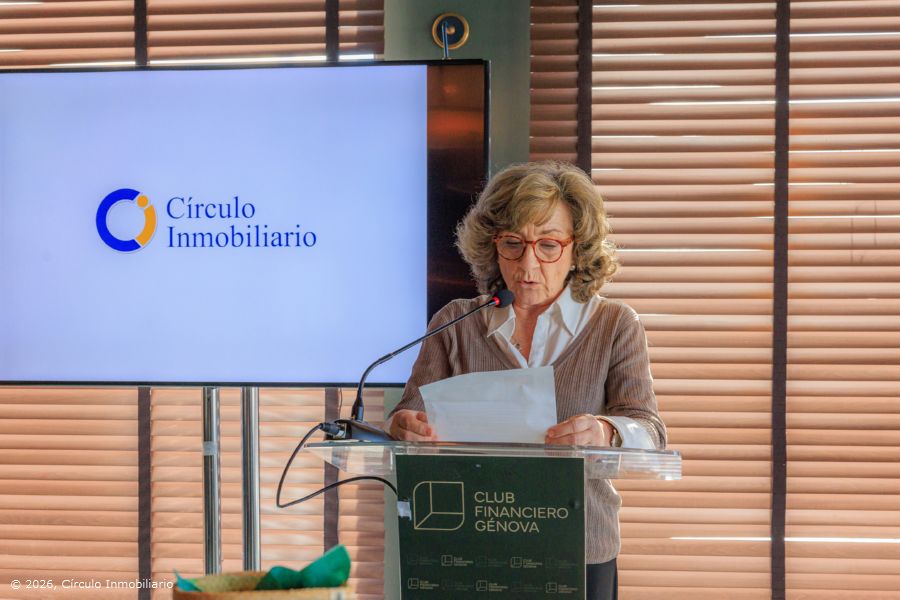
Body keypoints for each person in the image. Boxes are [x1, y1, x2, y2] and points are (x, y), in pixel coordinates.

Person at [385, 161, 666, 600]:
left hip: (579, 550)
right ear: (492, 245)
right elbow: (407, 417)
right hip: (467, 544)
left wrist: (605, 431)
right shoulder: (455, 323)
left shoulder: (614, 325)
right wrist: (402, 425)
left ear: (578, 249)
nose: (527, 264)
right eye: (513, 244)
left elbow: (651, 432)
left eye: (548, 245)